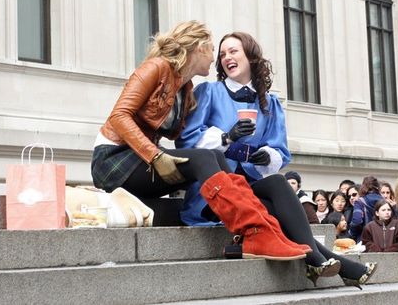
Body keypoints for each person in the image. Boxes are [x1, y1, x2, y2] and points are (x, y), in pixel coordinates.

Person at [91, 21, 306, 261]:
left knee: (212, 157)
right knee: (206, 156)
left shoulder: (186, 88)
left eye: (228, 52)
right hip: (115, 157)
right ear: (198, 48)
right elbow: (119, 116)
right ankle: (255, 231)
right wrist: (156, 155)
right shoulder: (156, 67)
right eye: (215, 50)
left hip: (144, 158)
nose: (218, 58)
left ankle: (260, 232)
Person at [177, 31, 377, 288]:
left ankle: (322, 262)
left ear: (250, 56)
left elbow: (279, 151)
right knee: (277, 215)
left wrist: (265, 156)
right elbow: (187, 140)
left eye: (234, 51)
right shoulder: (210, 92)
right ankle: (330, 262)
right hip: (216, 191)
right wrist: (227, 138)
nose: (227, 57)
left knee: (278, 184)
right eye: (223, 53)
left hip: (248, 185)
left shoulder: (269, 103)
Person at [348, 176, 383, 242]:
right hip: (383, 239)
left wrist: (351, 233)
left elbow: (357, 221)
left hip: (365, 239)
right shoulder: (384, 201)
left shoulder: (360, 202)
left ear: (363, 186)